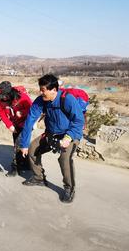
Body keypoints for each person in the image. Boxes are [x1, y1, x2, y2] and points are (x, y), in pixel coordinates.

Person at [19, 74, 84, 203]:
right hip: (51, 134)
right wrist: (24, 144)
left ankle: (69, 188)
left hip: (70, 134)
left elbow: (78, 121)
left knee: (64, 159)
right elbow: (29, 121)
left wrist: (68, 137)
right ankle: (39, 178)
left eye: (43, 90)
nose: (41, 92)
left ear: (54, 90)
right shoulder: (40, 101)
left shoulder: (67, 100)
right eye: (40, 89)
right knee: (32, 149)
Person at [0, 81, 33, 177]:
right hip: (14, 124)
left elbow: (32, 109)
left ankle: (15, 167)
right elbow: (1, 112)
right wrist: (9, 125)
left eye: (4, 96)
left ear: (10, 93)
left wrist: (22, 113)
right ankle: (26, 164)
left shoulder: (22, 96)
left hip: (26, 123)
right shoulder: (1, 100)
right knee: (18, 143)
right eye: (1, 96)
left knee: (18, 145)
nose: (2, 98)